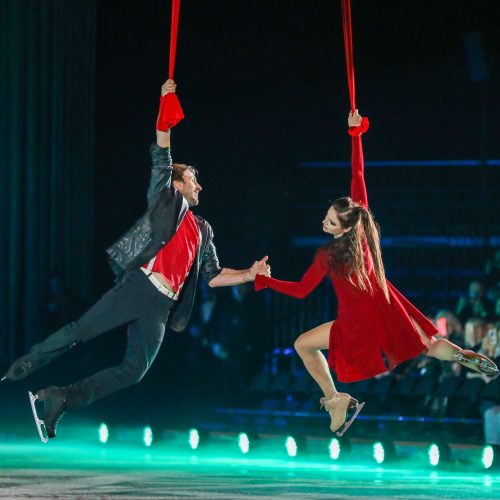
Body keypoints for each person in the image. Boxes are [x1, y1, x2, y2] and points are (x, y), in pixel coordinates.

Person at [2, 79, 270, 441]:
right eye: (193, 181)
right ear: (176, 185)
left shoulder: (204, 229)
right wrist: (165, 107)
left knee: (134, 372)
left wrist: (249, 274)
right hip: (139, 287)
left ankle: (60, 398)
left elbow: (213, 275)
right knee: (80, 332)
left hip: (161, 307)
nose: (199, 186)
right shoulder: (165, 201)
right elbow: (162, 152)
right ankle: (23, 367)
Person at [254, 110, 499, 435]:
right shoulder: (365, 233)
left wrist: (265, 280)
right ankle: (460, 353)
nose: (323, 223)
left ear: (343, 226)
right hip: (386, 305)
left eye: (329, 220)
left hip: (358, 322)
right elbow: (359, 175)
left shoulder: (327, 254)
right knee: (425, 342)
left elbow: (301, 291)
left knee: (302, 345)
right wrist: (356, 137)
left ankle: (334, 398)